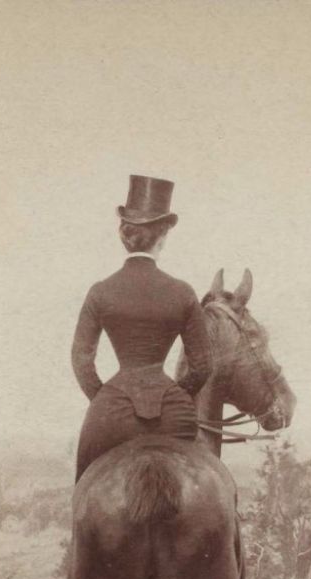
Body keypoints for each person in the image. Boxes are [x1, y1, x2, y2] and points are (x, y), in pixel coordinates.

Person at [71, 174, 212, 482]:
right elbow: (203, 367)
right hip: (174, 414)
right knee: (217, 482)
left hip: (112, 415)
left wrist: (106, 397)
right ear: (163, 236)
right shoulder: (183, 292)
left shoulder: (100, 291)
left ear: (124, 235)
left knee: (83, 485)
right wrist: (173, 393)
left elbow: (81, 362)